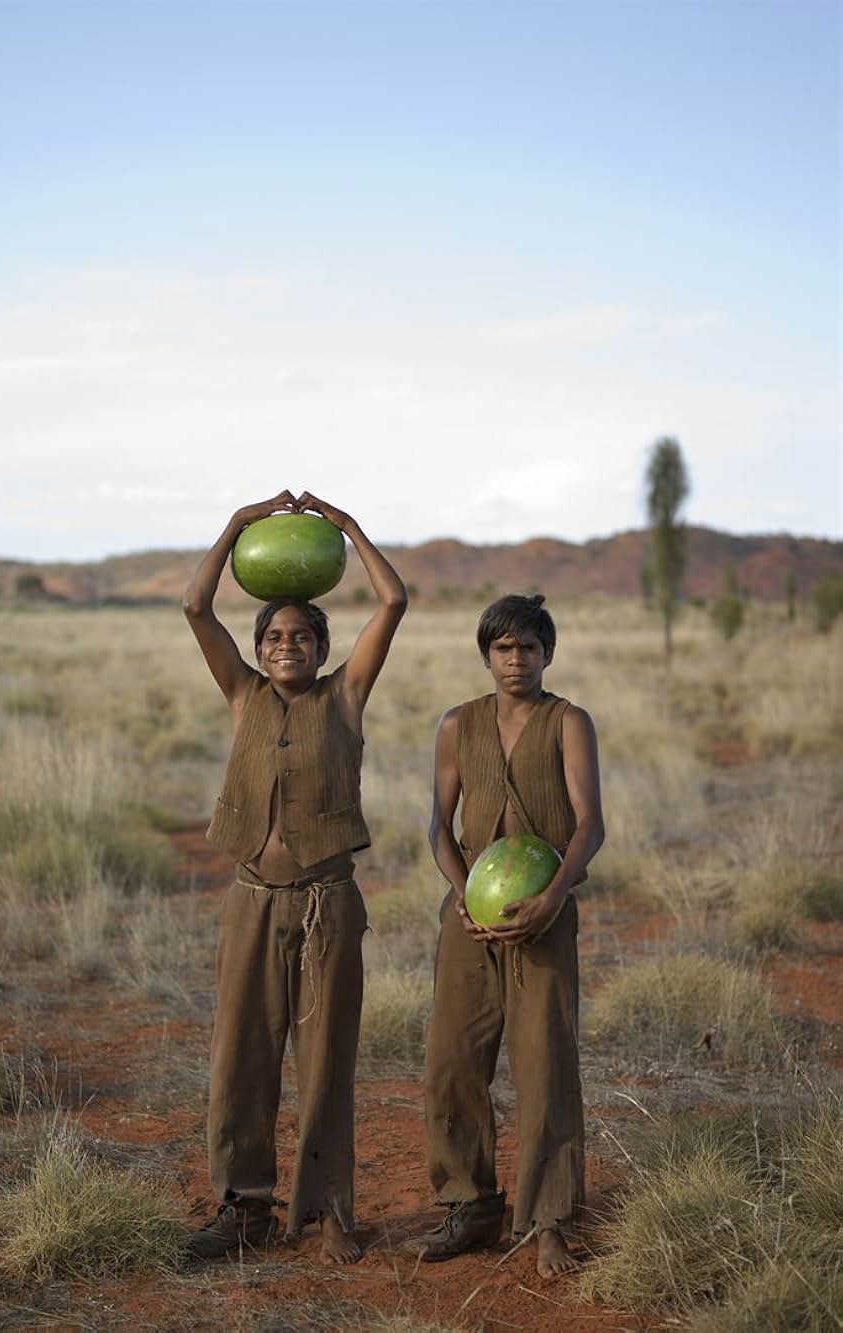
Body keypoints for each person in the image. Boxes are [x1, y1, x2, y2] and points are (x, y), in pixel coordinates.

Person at [182, 489, 407, 1265]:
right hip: (251, 904)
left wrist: (347, 528)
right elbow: (195, 606)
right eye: (274, 636)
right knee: (241, 1058)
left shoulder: (344, 696)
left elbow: (393, 600)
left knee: (324, 1062)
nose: (287, 646)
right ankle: (242, 1206)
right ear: (259, 647)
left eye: (302, 636)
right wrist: (237, 525)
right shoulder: (243, 695)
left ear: (321, 645)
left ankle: (328, 1209)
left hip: (326, 905)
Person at [418, 593, 604, 1278]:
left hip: (543, 917)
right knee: (452, 1062)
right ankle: (469, 1204)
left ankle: (548, 1220)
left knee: (544, 1066)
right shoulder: (457, 724)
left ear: (547, 654)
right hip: (468, 921)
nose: (516, 659)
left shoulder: (568, 722)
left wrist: (553, 897)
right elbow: (439, 826)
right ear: (486, 655)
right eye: (503, 648)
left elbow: (590, 825)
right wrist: (462, 894)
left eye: (528, 647)